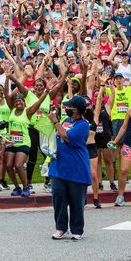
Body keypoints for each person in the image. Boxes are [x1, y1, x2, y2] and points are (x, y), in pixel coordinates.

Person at [47, 96, 92, 240]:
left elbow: (66, 136)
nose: (66, 109)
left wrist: (55, 121)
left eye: (69, 107)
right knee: (58, 197)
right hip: (59, 167)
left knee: (76, 201)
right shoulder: (66, 121)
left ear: (76, 110)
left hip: (76, 169)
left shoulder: (83, 125)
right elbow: (57, 134)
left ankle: (77, 229)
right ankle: (60, 228)